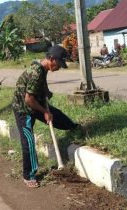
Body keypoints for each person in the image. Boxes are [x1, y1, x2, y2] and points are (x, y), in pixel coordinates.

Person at [12, 45, 79, 188]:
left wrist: (46, 92)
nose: (59, 67)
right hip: (24, 110)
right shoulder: (36, 72)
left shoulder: (42, 68)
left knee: (58, 116)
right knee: (29, 141)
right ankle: (28, 174)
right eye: (58, 64)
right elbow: (28, 99)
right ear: (51, 59)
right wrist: (45, 112)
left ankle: (72, 126)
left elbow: (41, 85)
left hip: (35, 102)